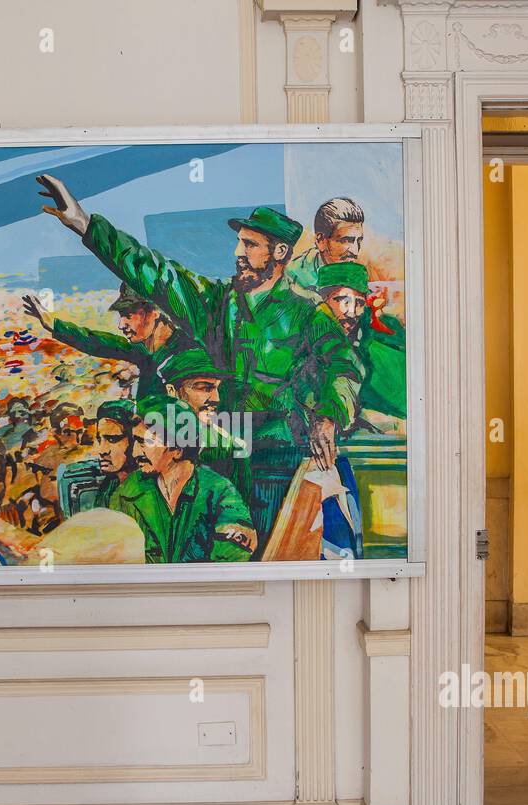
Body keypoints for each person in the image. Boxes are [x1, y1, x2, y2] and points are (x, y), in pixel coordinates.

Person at [36, 174, 361, 544]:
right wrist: (84, 223)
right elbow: (155, 273)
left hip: (275, 461)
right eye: (239, 243)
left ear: (280, 253)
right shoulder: (215, 301)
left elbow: (343, 366)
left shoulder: (307, 311)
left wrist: (328, 415)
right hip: (215, 458)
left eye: (251, 245)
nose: (239, 253)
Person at [109, 396, 256, 563]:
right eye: (135, 441)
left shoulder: (219, 491)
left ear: (177, 448)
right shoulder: (127, 492)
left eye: (143, 443)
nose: (135, 453)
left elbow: (235, 554)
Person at [23, 285, 188, 403]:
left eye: (128, 315)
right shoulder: (143, 351)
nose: (121, 325)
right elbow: (98, 342)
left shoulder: (188, 354)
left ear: (154, 311)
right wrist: (55, 325)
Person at [315, 262, 406, 421]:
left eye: (359, 303)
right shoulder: (309, 338)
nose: (351, 312)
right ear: (323, 301)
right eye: (342, 300)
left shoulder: (378, 341)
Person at [286, 197, 366, 290]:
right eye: (346, 240)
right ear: (321, 241)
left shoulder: (353, 273)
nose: (355, 252)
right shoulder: (295, 280)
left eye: (359, 241)